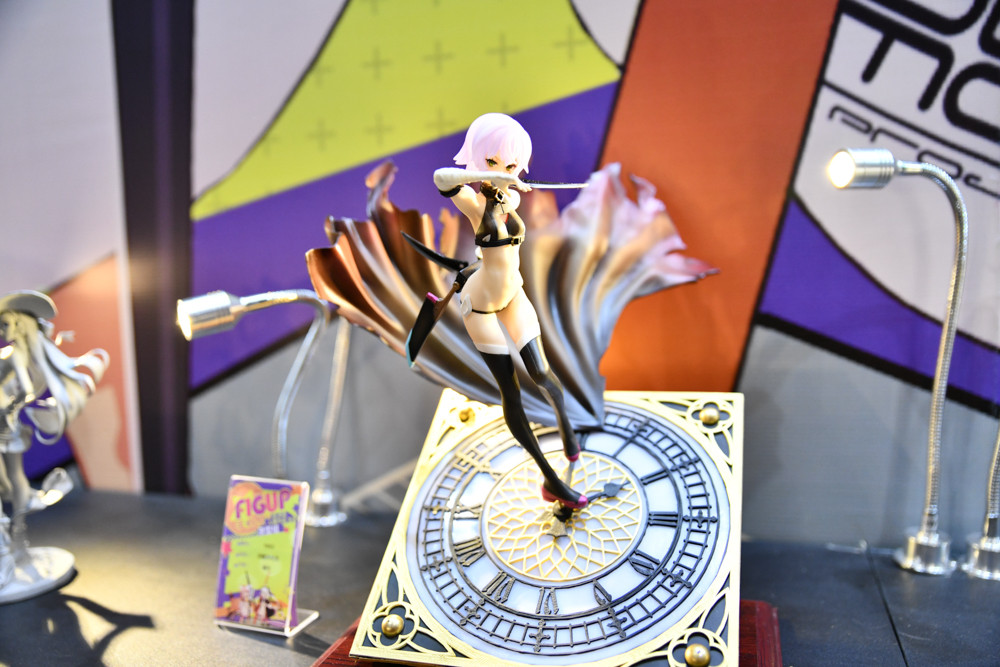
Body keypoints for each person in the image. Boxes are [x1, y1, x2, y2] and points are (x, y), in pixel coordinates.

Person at [432, 113, 586, 510]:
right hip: (481, 307)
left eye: (513, 164)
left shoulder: (511, 199)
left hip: (514, 294)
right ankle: (550, 479)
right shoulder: (473, 202)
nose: (504, 170)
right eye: (493, 160)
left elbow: (510, 195)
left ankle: (567, 431)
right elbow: (441, 178)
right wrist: (491, 176)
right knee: (512, 392)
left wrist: (508, 181)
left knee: (544, 374)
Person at [0, 290, 108, 563]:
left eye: (5, 324)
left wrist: (10, 408)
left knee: (13, 482)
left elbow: (26, 389)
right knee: (13, 481)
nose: (2, 330)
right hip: (8, 428)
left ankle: (14, 541)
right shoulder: (19, 353)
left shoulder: (14, 355)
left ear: (17, 324)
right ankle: (17, 540)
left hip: (5, 427)